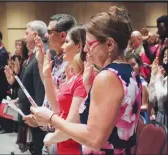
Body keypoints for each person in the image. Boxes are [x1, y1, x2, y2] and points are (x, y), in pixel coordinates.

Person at [25, 6, 142, 155]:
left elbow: (95, 138)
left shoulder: (107, 77)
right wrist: (89, 88)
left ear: (110, 45)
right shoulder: (129, 72)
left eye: (89, 44)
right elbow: (111, 121)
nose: (86, 50)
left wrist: (51, 119)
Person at [26, 26, 87, 154]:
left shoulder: (82, 79)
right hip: (62, 144)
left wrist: (50, 138)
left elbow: (71, 125)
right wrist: (47, 76)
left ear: (78, 46)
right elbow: (57, 108)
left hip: (73, 147)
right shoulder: (72, 75)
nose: (63, 47)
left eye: (67, 42)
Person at [35, 14, 77, 154]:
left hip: (62, 133)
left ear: (63, 35)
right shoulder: (57, 59)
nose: (46, 36)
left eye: (50, 32)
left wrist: (49, 118)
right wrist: (41, 61)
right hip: (52, 127)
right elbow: (50, 89)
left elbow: (61, 102)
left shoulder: (71, 65)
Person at [4, 20, 47, 155]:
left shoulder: (40, 55)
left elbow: (40, 87)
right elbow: (27, 83)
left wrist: (38, 113)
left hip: (36, 114)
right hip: (29, 111)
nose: (24, 36)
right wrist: (14, 82)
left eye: (26, 33)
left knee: (39, 147)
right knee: (34, 147)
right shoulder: (32, 55)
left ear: (34, 35)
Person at [125, 52, 149, 123]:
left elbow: (145, 106)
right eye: (128, 65)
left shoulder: (143, 84)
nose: (131, 68)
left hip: (140, 119)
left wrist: (129, 108)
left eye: (133, 64)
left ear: (139, 65)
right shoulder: (125, 82)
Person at [148, 47, 167, 126]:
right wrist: (154, 74)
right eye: (165, 55)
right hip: (160, 116)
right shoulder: (163, 74)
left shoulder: (162, 76)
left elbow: (161, 97)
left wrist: (158, 77)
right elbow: (152, 98)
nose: (166, 58)